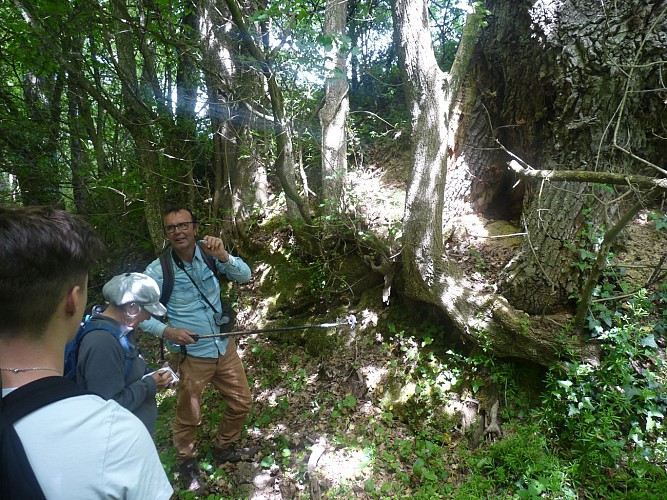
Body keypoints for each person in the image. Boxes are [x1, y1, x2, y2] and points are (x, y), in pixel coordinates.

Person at [0, 205, 173, 499]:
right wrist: (150, 383)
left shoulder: (114, 334)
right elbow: (110, 399)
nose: (148, 318)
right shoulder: (115, 437)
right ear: (73, 299)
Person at [141, 206, 254, 493]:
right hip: (191, 354)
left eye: (183, 225)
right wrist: (168, 331)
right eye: (171, 228)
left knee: (242, 402)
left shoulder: (209, 253)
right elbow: (138, 313)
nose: (178, 231)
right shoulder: (158, 270)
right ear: (166, 234)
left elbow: (245, 276)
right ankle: (186, 464)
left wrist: (224, 257)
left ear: (194, 227)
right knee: (188, 415)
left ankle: (224, 447)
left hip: (222, 345)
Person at [74, 272, 175, 436]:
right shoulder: (103, 343)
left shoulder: (120, 331)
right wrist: (150, 384)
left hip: (132, 436)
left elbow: (126, 375)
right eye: (148, 310)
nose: (149, 317)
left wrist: (155, 375)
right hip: (120, 443)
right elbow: (108, 406)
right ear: (132, 307)